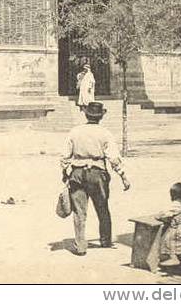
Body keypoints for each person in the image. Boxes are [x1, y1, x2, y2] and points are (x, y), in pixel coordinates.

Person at [61, 101, 131, 255]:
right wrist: (123, 176)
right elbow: (113, 158)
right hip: (97, 174)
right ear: (100, 117)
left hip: (77, 173)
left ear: (86, 114)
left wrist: (64, 173)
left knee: (79, 212)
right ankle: (105, 240)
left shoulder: (75, 131)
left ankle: (80, 246)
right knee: (102, 207)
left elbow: (65, 156)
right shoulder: (105, 133)